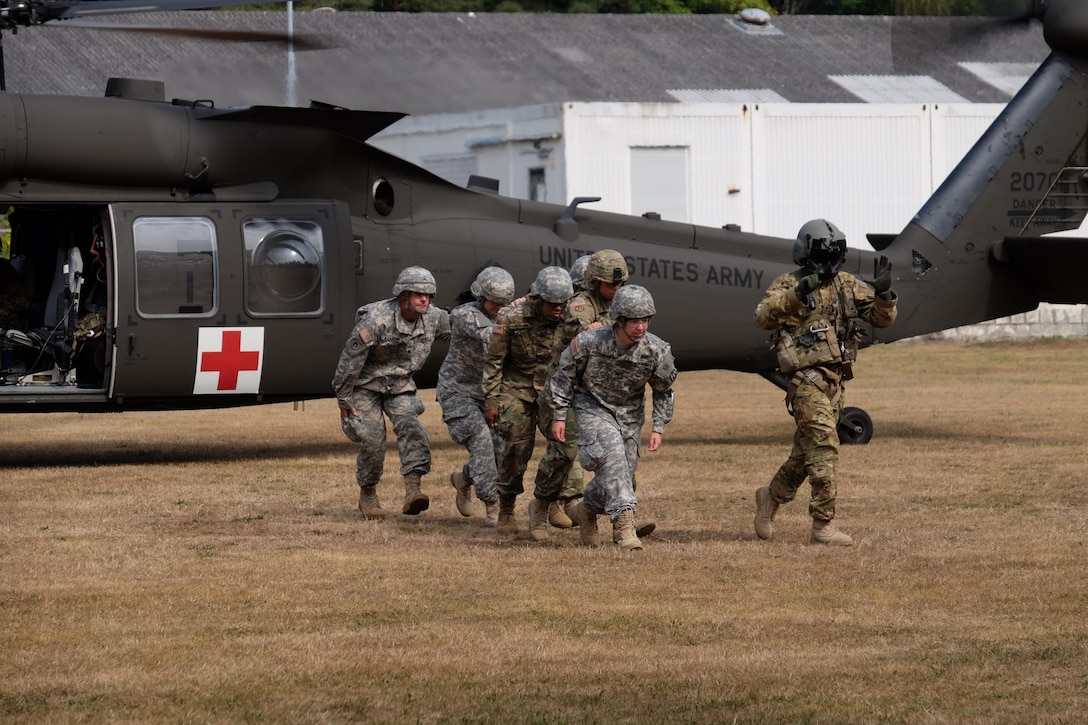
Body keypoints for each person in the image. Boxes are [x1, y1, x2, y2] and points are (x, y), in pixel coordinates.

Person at [753, 219, 897, 546]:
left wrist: (885, 294)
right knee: (825, 445)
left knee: (806, 456)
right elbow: (763, 317)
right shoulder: (788, 284)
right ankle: (823, 525)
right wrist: (799, 294)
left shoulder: (846, 284)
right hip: (805, 383)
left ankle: (770, 498)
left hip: (835, 384)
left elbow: (882, 319)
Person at [547, 284, 676, 550]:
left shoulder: (657, 350)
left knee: (620, 477)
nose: (640, 327)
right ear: (619, 320)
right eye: (634, 321)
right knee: (613, 457)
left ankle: (586, 510)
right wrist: (559, 415)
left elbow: (664, 390)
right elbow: (563, 379)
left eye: (644, 321)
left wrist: (658, 426)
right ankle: (624, 527)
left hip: (629, 417)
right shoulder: (589, 342)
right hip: (592, 409)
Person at [332, 265, 451, 520]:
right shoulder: (376, 319)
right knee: (373, 439)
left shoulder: (433, 317)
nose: (424, 300)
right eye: (418, 294)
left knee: (411, 426)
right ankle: (368, 493)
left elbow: (468, 322)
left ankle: (413, 490)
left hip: (399, 386)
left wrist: (508, 308)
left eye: (428, 295)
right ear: (402, 296)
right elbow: (350, 360)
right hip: (367, 385)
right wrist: (344, 397)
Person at [482, 266, 573, 539]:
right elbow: (494, 361)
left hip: (553, 390)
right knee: (515, 451)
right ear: (538, 298)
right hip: (516, 387)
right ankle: (506, 509)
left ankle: (543, 505)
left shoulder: (571, 318)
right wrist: (491, 400)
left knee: (566, 450)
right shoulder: (510, 316)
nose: (558, 308)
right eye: (552, 303)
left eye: (562, 303)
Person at [438, 266, 516, 527]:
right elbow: (490, 337)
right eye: (495, 302)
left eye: (504, 303)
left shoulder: (507, 316)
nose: (499, 308)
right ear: (481, 296)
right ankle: (493, 506)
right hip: (458, 392)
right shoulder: (464, 315)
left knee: (498, 452)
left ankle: (464, 478)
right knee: (482, 442)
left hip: (490, 394)